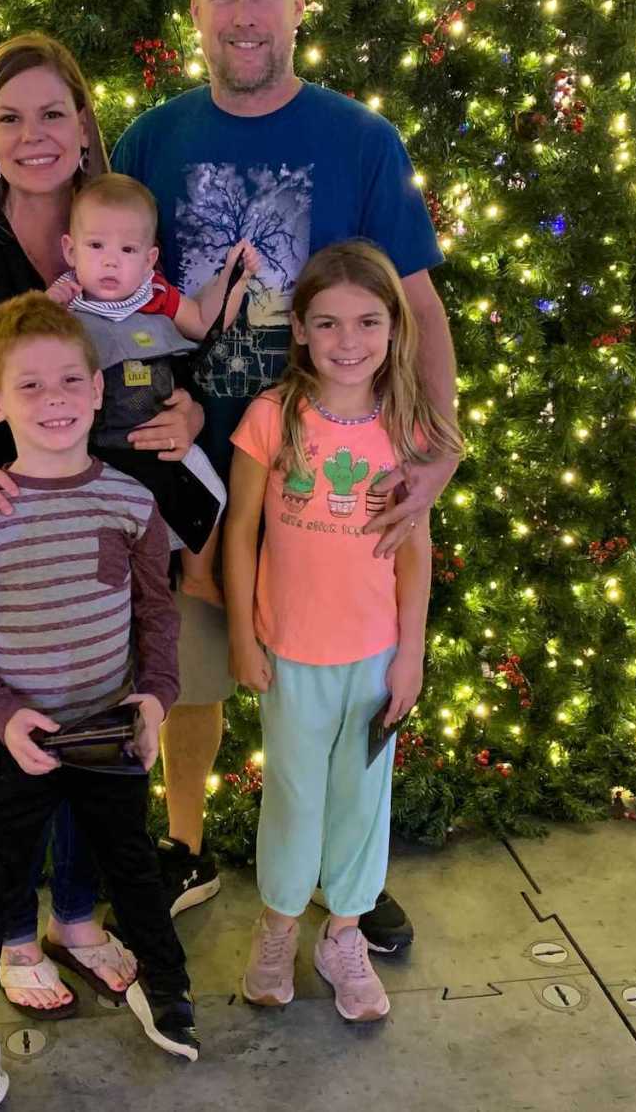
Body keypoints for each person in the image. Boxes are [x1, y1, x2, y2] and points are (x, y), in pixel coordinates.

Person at [109, 0, 460, 942]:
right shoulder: (151, 140)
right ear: (195, 13)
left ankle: (337, 876)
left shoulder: (361, 142)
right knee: (194, 682)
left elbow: (420, 309)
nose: (244, 15)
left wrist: (435, 451)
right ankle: (184, 847)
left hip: (334, 492)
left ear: (300, 3)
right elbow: (122, 300)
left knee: (343, 682)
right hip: (198, 480)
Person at [0, 34, 202, 1016]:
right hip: (10, 530)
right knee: (16, 736)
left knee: (96, 728)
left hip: (113, 527)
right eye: (9, 117)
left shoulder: (121, 232)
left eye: (52, 113)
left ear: (84, 127)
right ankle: (15, 931)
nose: (32, 134)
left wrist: (191, 417)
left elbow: (173, 353)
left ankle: (76, 917)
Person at [0, 294, 199, 1111]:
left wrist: (154, 698)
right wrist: (3, 716)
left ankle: (169, 986)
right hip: (19, 739)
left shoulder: (129, 502)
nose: (53, 400)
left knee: (136, 873)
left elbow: (155, 612)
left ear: (95, 391)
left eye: (69, 381)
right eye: (31, 386)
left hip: (111, 730)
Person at [225, 241, 463, 1019]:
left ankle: (345, 935)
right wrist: (241, 634)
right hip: (290, 654)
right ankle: (278, 924)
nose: (348, 341)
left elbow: (414, 552)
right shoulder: (271, 418)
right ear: (299, 328)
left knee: (362, 799)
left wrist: (410, 657)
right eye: (327, 323)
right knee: (293, 796)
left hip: (373, 658)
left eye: (367, 322)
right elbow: (240, 534)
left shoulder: (406, 430)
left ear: (395, 330)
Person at [47, 173, 259, 603]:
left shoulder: (156, 294)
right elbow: (21, 346)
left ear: (149, 259)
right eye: (96, 246)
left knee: (210, 492)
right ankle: (111, 596)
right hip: (92, 447)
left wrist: (232, 281)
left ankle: (198, 576)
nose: (111, 262)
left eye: (127, 250)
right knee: (102, 522)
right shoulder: (61, 306)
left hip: (161, 435)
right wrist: (46, 308)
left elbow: (204, 322)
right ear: (70, 249)